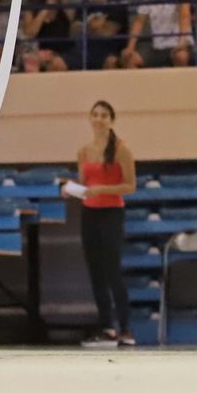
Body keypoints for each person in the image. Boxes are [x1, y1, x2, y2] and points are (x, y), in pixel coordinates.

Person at [59, 101, 136, 348]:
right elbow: (85, 186)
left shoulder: (122, 150)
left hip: (112, 212)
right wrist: (70, 189)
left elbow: (130, 186)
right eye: (95, 114)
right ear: (90, 119)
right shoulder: (83, 151)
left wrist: (103, 189)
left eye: (104, 115)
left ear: (111, 120)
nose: (99, 119)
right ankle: (107, 328)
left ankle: (125, 328)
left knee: (112, 270)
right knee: (96, 272)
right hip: (90, 213)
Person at [121, 0, 192, 70]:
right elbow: (139, 21)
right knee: (128, 60)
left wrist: (182, 42)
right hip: (156, 47)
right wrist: (130, 47)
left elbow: (184, 15)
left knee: (181, 56)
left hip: (178, 45)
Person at [21, 0, 75, 72]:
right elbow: (29, 33)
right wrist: (45, 9)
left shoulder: (65, 6)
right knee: (31, 63)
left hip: (61, 51)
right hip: (37, 50)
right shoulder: (32, 6)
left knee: (57, 64)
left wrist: (59, 4)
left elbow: (74, 24)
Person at [80, 0, 130, 71]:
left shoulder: (118, 4)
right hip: (86, 49)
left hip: (111, 50)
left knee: (111, 61)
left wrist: (86, 28)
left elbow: (108, 33)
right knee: (59, 62)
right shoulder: (84, 4)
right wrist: (95, 26)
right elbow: (74, 30)